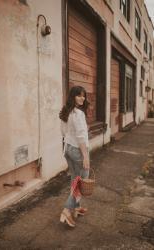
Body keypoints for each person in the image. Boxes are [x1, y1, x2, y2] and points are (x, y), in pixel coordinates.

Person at [59, 85, 90, 227]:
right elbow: (81, 136)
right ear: (73, 96)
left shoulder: (66, 111)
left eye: (83, 95)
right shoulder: (78, 114)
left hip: (67, 148)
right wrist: (86, 156)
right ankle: (67, 210)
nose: (82, 98)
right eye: (79, 95)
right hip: (77, 149)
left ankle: (76, 207)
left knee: (74, 178)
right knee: (81, 181)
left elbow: (63, 132)